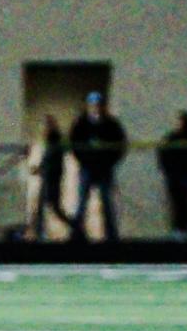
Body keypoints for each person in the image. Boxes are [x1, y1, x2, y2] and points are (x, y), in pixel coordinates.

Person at [68, 91, 128, 241]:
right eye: (93, 105)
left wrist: (110, 161)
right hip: (88, 167)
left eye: (98, 104)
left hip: (104, 168)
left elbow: (120, 144)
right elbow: (74, 144)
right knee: (82, 202)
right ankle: (77, 234)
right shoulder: (81, 124)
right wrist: (83, 159)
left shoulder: (111, 124)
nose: (95, 107)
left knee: (106, 202)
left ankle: (111, 235)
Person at [158, 110, 187, 239]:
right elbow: (162, 152)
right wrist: (166, 169)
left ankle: (183, 228)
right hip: (175, 175)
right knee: (177, 201)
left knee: (183, 201)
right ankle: (178, 228)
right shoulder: (174, 137)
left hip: (182, 175)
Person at [30, 114, 69, 240]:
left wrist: (40, 169)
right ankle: (39, 232)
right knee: (43, 207)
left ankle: (76, 227)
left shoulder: (55, 141)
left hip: (52, 179)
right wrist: (39, 168)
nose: (43, 129)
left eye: (45, 126)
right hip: (48, 178)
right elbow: (46, 159)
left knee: (54, 208)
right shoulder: (50, 142)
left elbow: (52, 161)